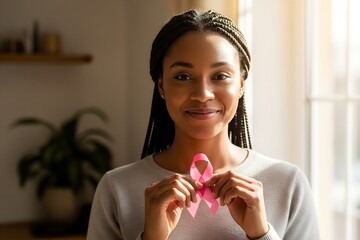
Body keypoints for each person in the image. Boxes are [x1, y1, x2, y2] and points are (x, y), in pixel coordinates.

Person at [87, 9, 320, 240]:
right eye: (183, 77)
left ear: (241, 84)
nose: (202, 94)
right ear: (161, 86)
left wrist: (262, 234)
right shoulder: (116, 189)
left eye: (220, 76)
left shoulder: (288, 184)